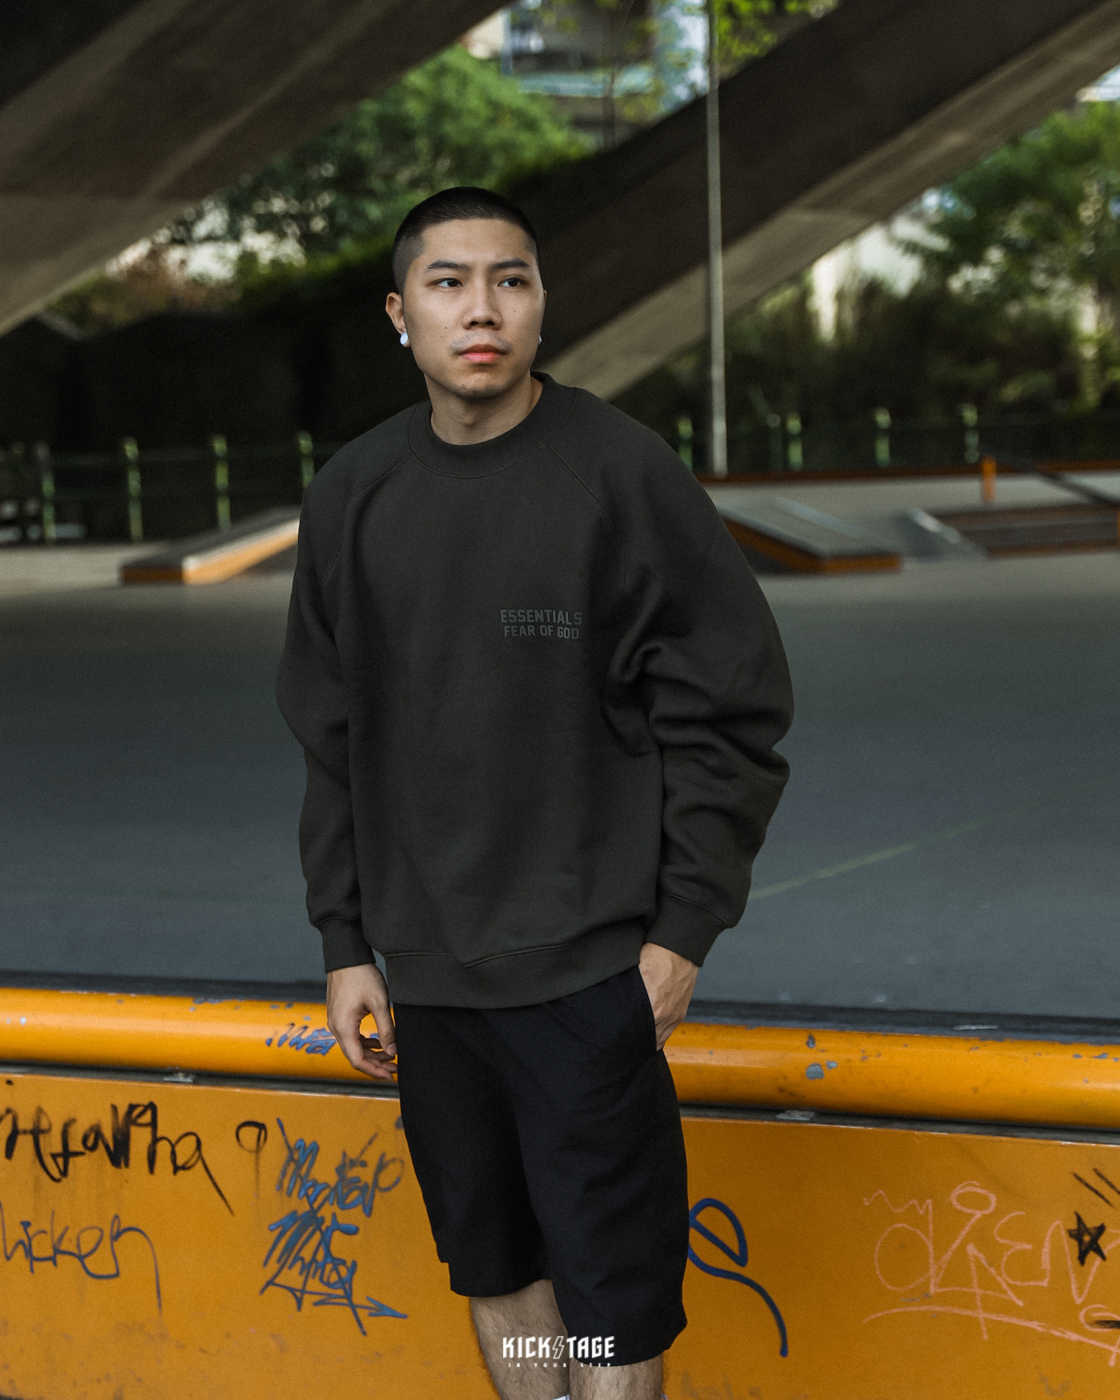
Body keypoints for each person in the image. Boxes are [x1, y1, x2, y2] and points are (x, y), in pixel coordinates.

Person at [276, 185, 793, 1400]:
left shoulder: (619, 473)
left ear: (542, 305)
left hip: (586, 976)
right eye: (449, 282)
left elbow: (732, 710)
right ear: (399, 313)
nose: (482, 309)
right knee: (497, 1266)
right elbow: (331, 734)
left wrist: (680, 933)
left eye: (509, 280)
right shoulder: (353, 494)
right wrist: (345, 940)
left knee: (608, 1304)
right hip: (428, 982)